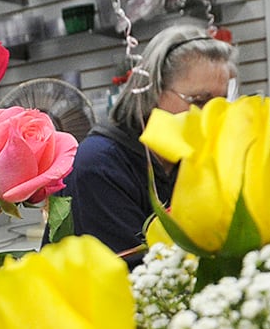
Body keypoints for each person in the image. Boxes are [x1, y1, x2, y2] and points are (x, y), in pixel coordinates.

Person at [67, 24, 237, 257]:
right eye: (199, 101)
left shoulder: (190, 155)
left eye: (222, 103)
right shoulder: (100, 164)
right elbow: (133, 273)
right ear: (154, 90)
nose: (214, 116)